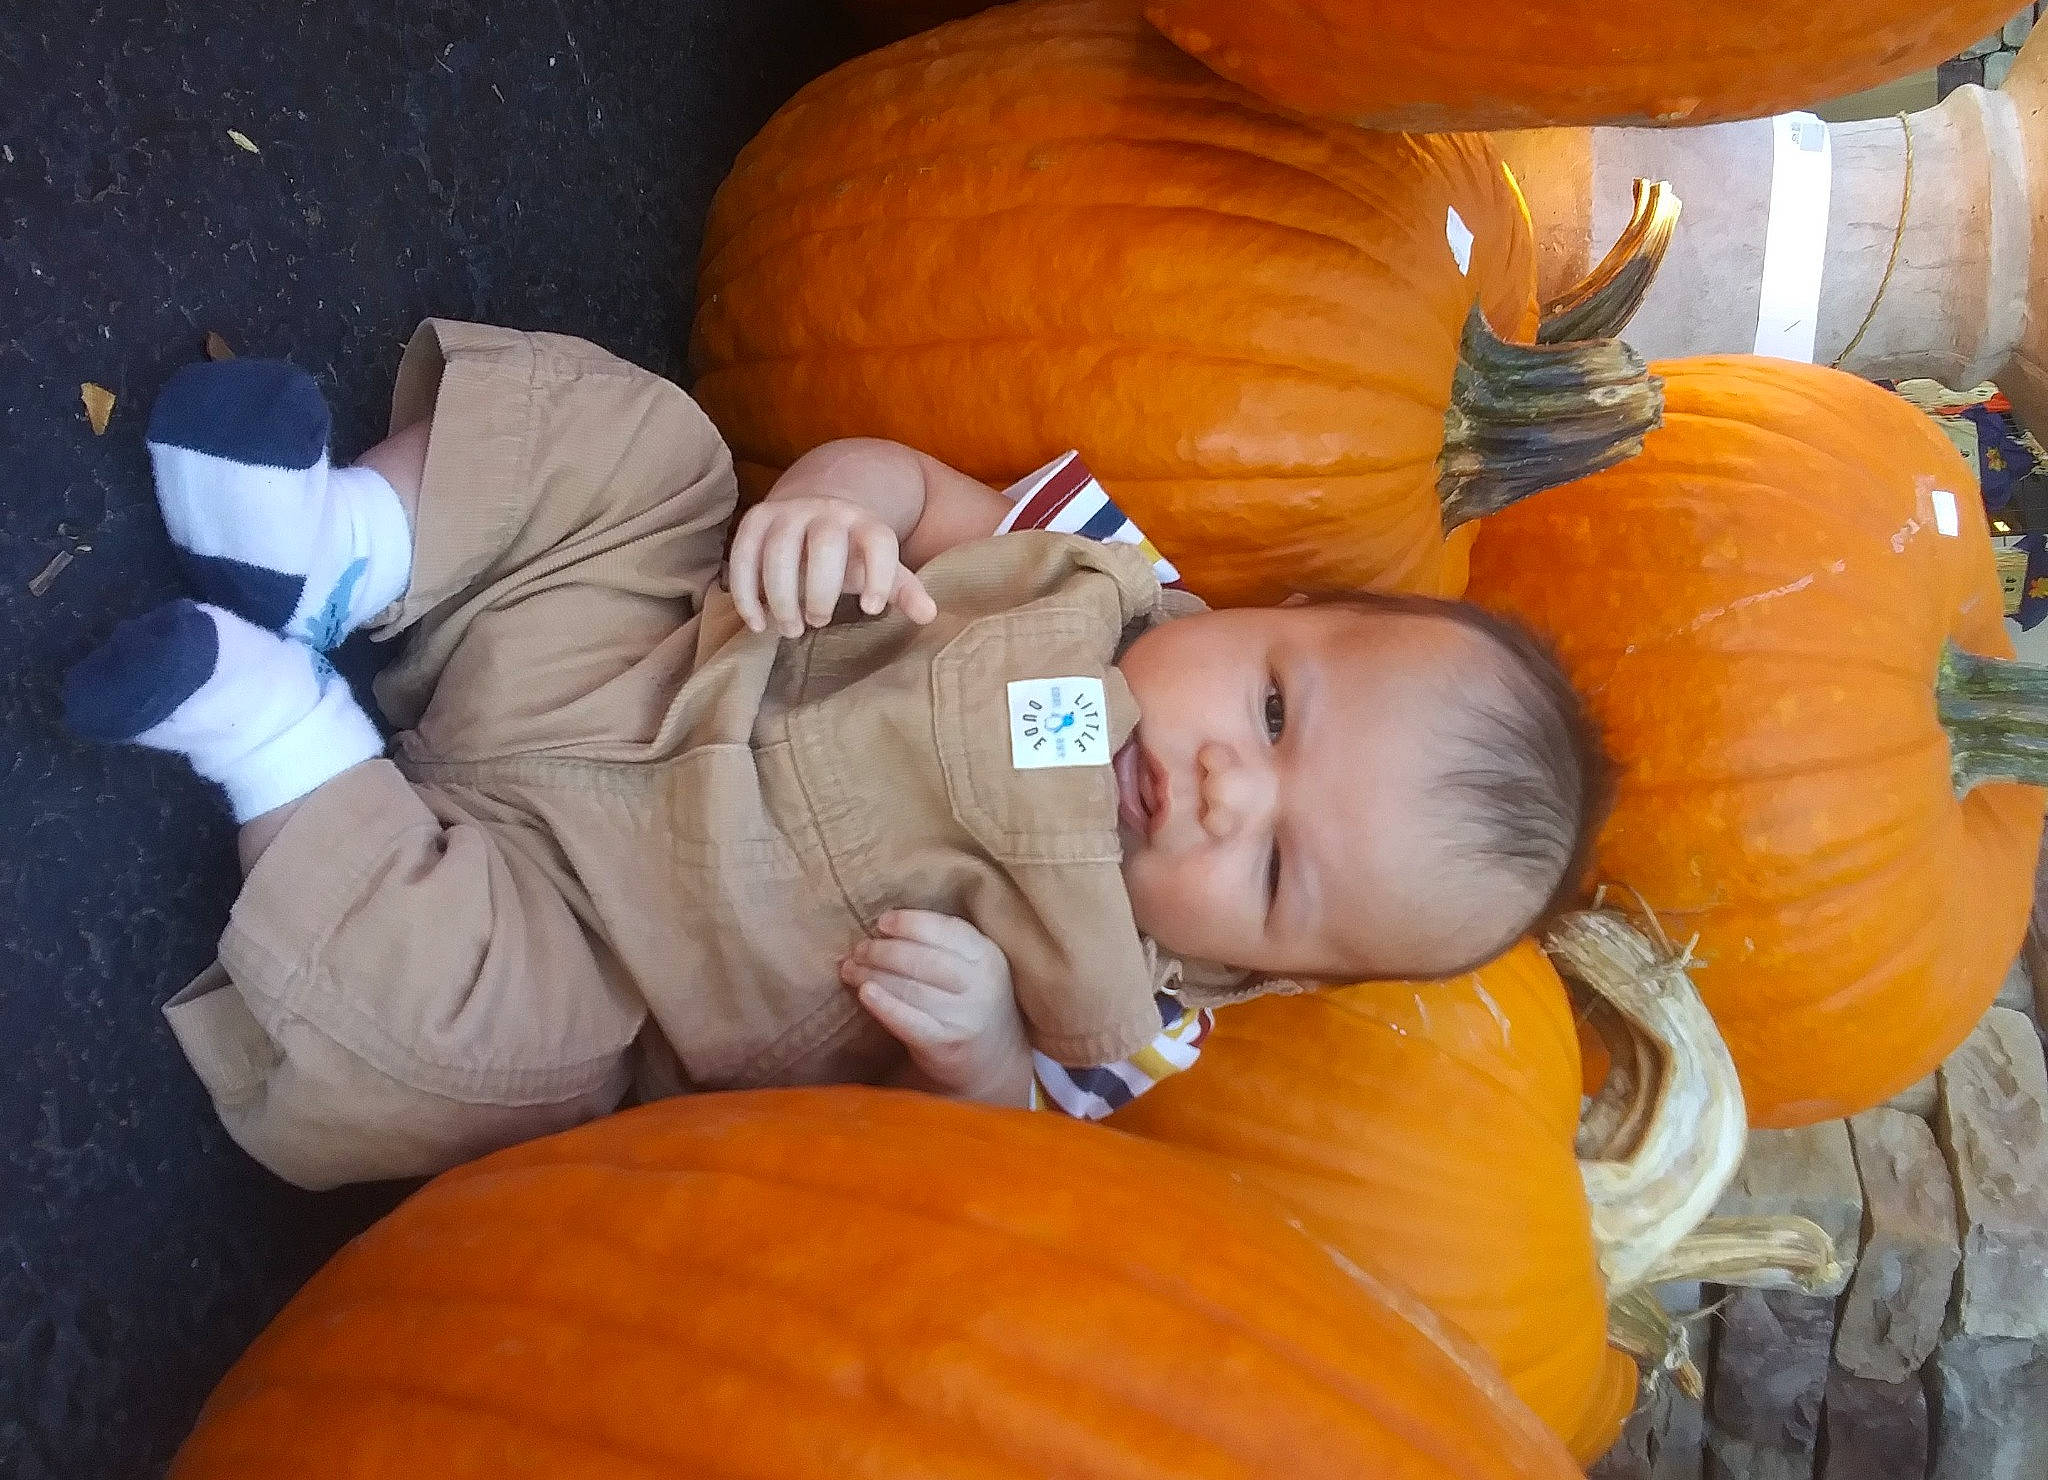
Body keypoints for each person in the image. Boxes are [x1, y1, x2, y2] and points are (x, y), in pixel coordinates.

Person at [65, 322, 1608, 1187]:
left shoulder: (1130, 1033)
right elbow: (910, 489)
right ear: (1270, 608)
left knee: (491, 1069)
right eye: (1274, 711)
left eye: (1274, 868)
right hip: (639, 639)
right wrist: (833, 507)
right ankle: (335, 546)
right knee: (641, 450)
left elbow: (966, 1169)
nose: (1224, 787)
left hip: (588, 933)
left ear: (1264, 978)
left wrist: (984, 1052)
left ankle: (274, 731)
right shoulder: (1096, 557)